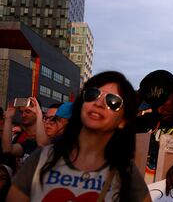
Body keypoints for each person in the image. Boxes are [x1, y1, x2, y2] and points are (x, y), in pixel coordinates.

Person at [7, 71, 150, 201]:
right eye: (92, 94)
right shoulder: (43, 158)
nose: (99, 103)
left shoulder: (125, 172)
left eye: (113, 102)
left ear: (123, 121)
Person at [2, 97, 43, 168]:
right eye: (21, 112)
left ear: (37, 112)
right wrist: (8, 118)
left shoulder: (47, 138)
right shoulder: (19, 137)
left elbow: (42, 144)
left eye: (28, 112)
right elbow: (7, 149)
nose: (23, 115)